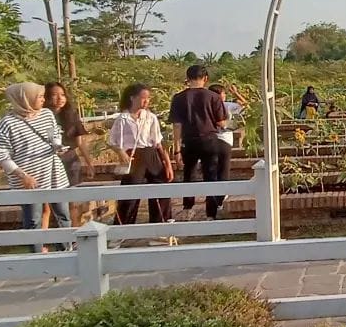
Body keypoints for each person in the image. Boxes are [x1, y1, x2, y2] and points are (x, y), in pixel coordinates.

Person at [0, 82, 70, 252]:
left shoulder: (47, 114)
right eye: (39, 97)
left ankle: (66, 249)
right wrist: (22, 176)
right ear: (25, 99)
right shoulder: (7, 124)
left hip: (53, 172)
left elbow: (53, 134)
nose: (43, 100)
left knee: (63, 214)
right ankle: (37, 253)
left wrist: (57, 146)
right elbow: (0, 154)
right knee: (34, 219)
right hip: (29, 178)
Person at [169, 65, 230, 220]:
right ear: (205, 78)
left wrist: (176, 150)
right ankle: (211, 213)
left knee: (189, 174)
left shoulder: (179, 98)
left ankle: (188, 208)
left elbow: (176, 125)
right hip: (209, 140)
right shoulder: (213, 97)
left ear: (187, 79)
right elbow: (222, 123)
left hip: (188, 141)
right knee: (211, 175)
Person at [108, 83, 173, 225]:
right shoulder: (122, 119)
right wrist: (121, 153)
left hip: (151, 153)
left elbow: (158, 143)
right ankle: (122, 230)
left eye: (148, 98)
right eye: (143, 98)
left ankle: (161, 228)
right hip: (133, 155)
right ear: (132, 98)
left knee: (161, 190)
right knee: (130, 194)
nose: (146, 101)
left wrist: (167, 164)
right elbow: (112, 141)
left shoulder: (150, 117)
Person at [44, 81, 93, 226]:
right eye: (54, 95)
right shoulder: (41, 117)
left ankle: (74, 234)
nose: (60, 98)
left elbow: (79, 142)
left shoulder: (71, 114)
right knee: (48, 203)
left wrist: (89, 163)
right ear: (45, 97)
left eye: (62, 94)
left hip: (70, 161)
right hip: (49, 162)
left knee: (73, 201)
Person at [210, 83, 248, 151]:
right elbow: (245, 105)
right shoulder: (227, 106)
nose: (225, 95)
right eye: (223, 93)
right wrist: (235, 93)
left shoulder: (206, 106)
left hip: (209, 139)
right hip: (225, 138)